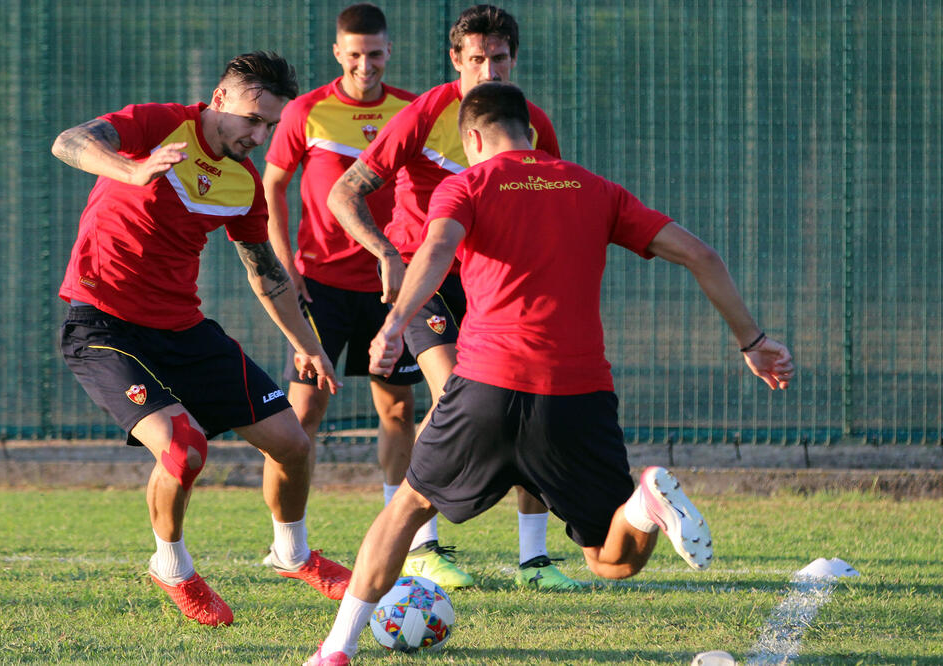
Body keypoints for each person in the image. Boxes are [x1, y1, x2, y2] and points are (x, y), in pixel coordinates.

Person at [304, 81, 796, 664]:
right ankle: (644, 506)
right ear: (532, 133)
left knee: (409, 507)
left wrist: (393, 325)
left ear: (472, 138)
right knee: (612, 561)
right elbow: (701, 255)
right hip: (578, 397)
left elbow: (435, 250)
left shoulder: (467, 182)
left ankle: (336, 651)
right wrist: (753, 340)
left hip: (485, 386)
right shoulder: (594, 188)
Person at [52, 51, 352, 627]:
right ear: (218, 101)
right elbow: (68, 142)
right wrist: (129, 169)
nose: (259, 135)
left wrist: (306, 343)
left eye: (270, 125)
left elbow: (265, 273)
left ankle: (293, 554)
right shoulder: (157, 123)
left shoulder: (244, 183)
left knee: (292, 442)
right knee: (184, 448)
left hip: (184, 330)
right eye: (252, 119)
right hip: (101, 322)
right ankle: (172, 566)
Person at [327, 3, 579, 592]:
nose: (488, 72)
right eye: (476, 60)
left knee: (530, 401)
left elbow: (554, 204)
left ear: (514, 59)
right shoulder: (426, 113)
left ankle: (534, 559)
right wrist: (386, 253)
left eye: (498, 59)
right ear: (455, 62)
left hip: (497, 285)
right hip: (428, 279)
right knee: (452, 405)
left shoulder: (533, 123)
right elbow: (346, 193)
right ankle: (421, 546)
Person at [261, 4, 422, 574]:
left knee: (398, 410)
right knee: (300, 415)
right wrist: (285, 261)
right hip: (320, 287)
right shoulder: (307, 111)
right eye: (354, 54)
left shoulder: (410, 110)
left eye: (375, 54)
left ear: (388, 51)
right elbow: (272, 185)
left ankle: (397, 531)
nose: (365, 65)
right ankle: (287, 542)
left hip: (389, 288)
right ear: (337, 53)